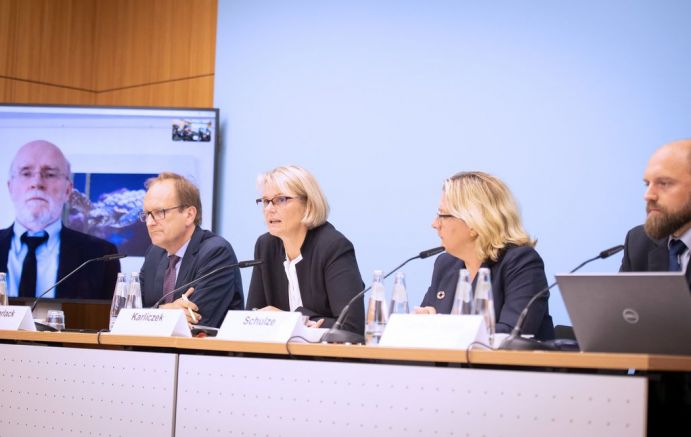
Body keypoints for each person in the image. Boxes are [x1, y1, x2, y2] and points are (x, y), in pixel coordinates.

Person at [416, 171, 554, 339]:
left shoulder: (521, 263)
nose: (434, 224)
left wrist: (442, 326)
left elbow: (513, 334)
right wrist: (423, 322)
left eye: (442, 215)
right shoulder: (445, 264)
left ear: (473, 223)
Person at [246, 165, 365, 334]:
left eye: (281, 200)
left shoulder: (333, 246)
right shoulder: (265, 246)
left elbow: (351, 327)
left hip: (325, 358)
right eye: (265, 201)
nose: (269, 209)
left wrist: (289, 320)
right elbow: (254, 314)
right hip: (276, 356)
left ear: (308, 204)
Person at [0, 140, 119, 299]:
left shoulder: (100, 256)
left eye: (49, 174)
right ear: (10, 187)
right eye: (26, 173)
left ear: (68, 190)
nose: (36, 183)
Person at [138, 172, 243, 327]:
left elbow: (196, 321)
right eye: (147, 214)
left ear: (189, 214)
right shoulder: (154, 254)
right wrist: (166, 311)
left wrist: (151, 314)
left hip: (199, 350)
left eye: (159, 212)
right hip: (153, 350)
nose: (149, 223)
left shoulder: (216, 253)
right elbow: (130, 315)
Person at [620, 139, 691, 284]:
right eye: (647, 184)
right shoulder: (638, 241)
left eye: (664, 183)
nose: (648, 195)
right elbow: (624, 306)